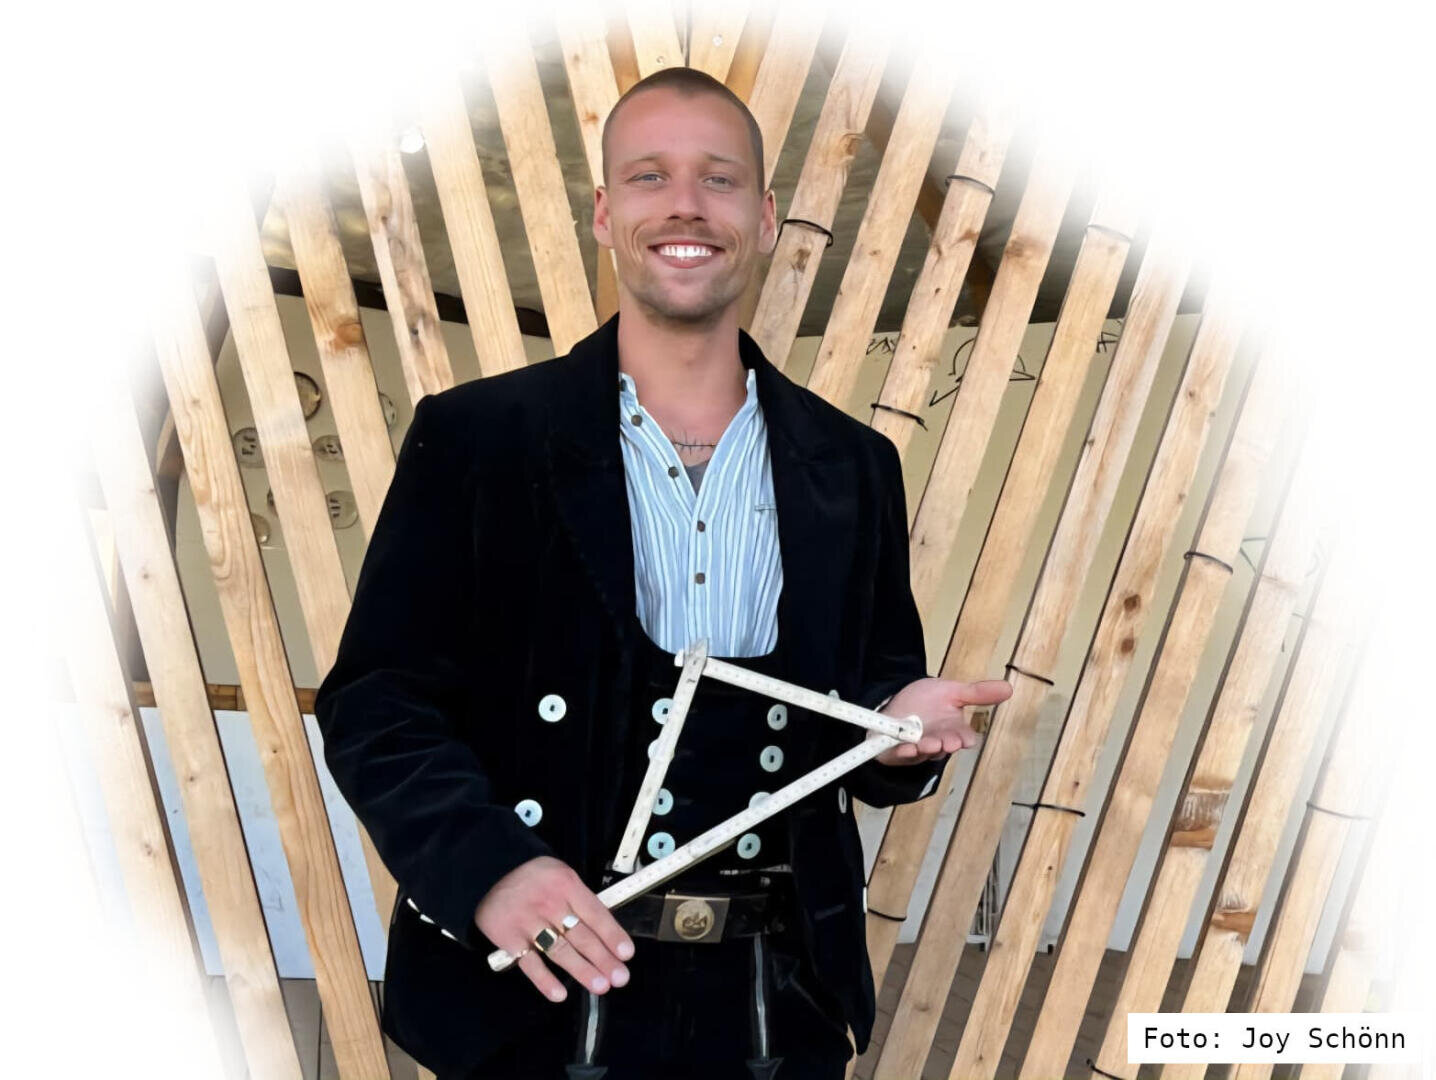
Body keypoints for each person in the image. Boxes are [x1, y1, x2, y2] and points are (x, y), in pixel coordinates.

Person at [315, 67, 1012, 1079]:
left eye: (719, 179)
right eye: (649, 176)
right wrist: (486, 868)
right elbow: (377, 703)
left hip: (779, 1004)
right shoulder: (476, 440)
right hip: (536, 1000)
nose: (685, 204)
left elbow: (862, 703)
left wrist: (896, 728)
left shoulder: (853, 466)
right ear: (604, 214)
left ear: (766, 217)